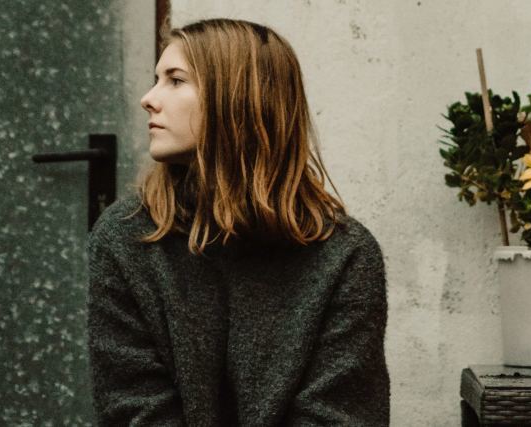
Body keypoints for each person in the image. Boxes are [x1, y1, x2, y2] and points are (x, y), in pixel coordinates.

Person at [87, 18, 389, 426]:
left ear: (236, 99)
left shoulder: (345, 256)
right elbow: (134, 409)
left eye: (175, 80)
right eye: (157, 80)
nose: (148, 98)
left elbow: (341, 415)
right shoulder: (126, 237)